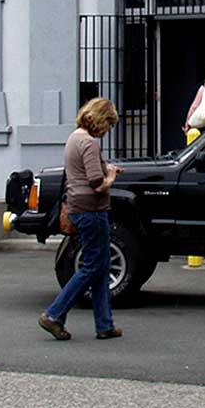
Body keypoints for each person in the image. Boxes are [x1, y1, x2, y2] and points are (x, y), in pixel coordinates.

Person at [39, 97, 124, 342]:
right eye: (108, 124)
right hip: (91, 209)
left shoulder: (74, 138)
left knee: (102, 265)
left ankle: (104, 324)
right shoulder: (89, 143)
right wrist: (111, 175)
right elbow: (97, 183)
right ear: (99, 119)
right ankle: (54, 314)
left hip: (78, 207)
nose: (107, 130)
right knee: (93, 266)